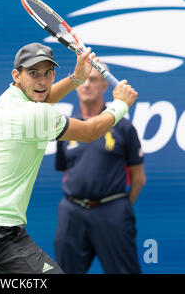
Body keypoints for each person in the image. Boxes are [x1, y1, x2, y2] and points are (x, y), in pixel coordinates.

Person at [0, 42, 138, 274]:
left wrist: (76, 78)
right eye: (33, 73)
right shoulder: (34, 115)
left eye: (48, 73)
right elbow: (90, 132)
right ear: (17, 75)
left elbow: (44, 96)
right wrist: (121, 104)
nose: (41, 81)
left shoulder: (9, 98)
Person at [54, 64, 146, 274]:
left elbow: (138, 177)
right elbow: (66, 171)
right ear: (75, 85)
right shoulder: (67, 126)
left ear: (105, 85)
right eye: (83, 79)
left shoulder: (124, 127)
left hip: (111, 211)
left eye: (93, 79)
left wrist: (118, 206)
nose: (87, 85)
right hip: (72, 212)